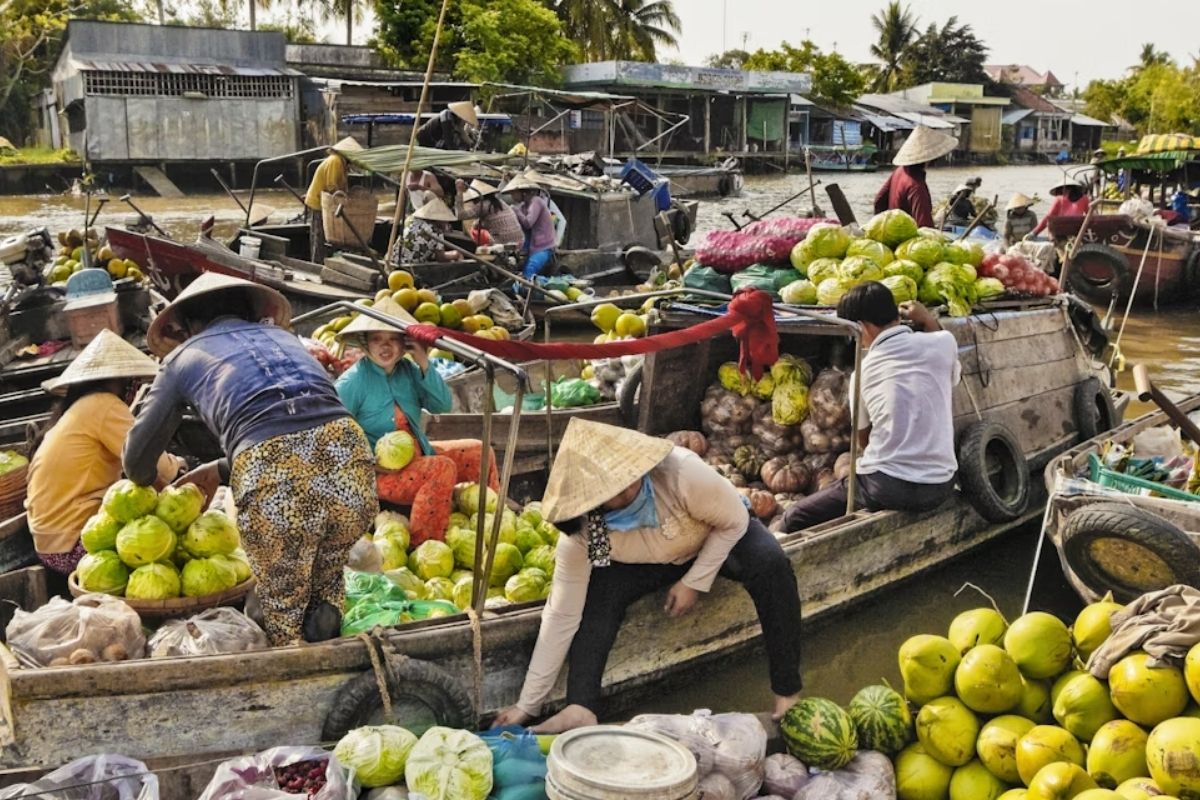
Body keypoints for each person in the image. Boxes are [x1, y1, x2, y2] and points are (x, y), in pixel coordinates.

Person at [491, 418, 803, 733]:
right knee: (598, 592)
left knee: (770, 564)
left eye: (629, 477)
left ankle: (787, 692)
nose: (628, 487)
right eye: (613, 491)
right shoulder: (589, 530)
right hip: (652, 560)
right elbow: (562, 613)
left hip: (718, 536)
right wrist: (527, 704)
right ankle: (581, 706)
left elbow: (734, 521)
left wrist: (694, 581)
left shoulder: (681, 474)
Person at [123, 273, 377, 646]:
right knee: (325, 581)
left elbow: (137, 462)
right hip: (351, 453)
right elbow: (301, 419)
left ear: (190, 324)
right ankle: (332, 665)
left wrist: (153, 482)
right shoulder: (285, 338)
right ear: (248, 311)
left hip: (272, 468)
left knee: (279, 610)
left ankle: (293, 687)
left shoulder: (181, 358)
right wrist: (222, 468)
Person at [778, 282, 960, 532]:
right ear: (896, 314)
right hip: (941, 485)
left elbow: (864, 442)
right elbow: (949, 367)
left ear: (860, 327)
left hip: (888, 487)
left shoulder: (862, 373)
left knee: (794, 515)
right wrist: (927, 319)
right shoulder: (944, 343)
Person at [335, 299, 500, 545]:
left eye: (393, 339)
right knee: (441, 468)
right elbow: (332, 438)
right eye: (377, 339)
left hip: (418, 456)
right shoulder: (352, 383)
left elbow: (442, 405)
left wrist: (424, 361)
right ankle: (423, 543)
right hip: (378, 475)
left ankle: (492, 523)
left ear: (405, 343)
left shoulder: (409, 371)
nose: (385, 347)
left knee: (480, 451)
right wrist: (371, 462)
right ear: (365, 343)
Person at [25, 330, 186, 575]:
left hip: (49, 544)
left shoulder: (78, 409)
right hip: (74, 545)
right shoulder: (104, 404)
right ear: (123, 382)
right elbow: (157, 465)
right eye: (131, 382)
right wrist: (178, 464)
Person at [874, 126, 959, 229]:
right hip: (906, 237)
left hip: (893, 230)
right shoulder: (916, 186)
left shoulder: (899, 171)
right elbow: (925, 227)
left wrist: (883, 227)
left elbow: (879, 201)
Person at [304, 137, 361, 263]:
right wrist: (344, 198)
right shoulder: (335, 161)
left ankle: (323, 261)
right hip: (319, 202)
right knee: (319, 235)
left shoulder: (340, 162)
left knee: (322, 235)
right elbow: (332, 185)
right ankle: (317, 263)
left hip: (324, 202)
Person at [503, 173, 558, 280]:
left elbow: (528, 223)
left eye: (514, 194)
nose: (512, 197)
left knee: (529, 271)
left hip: (544, 247)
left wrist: (515, 211)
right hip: (530, 247)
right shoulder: (524, 206)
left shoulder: (536, 202)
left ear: (522, 192)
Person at [454, 179, 525, 247]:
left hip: (504, 243)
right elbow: (482, 223)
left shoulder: (483, 204)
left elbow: (460, 215)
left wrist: (459, 192)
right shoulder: (500, 202)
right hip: (520, 240)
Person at [398, 198, 464, 265]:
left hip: (395, 258)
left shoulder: (411, 219)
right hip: (410, 265)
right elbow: (441, 258)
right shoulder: (436, 232)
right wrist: (456, 254)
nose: (447, 222)